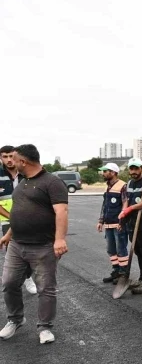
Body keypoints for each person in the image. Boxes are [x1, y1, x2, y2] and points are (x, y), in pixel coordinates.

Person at [0, 144, 68, 344]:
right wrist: (9, 234)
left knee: (45, 288)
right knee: (9, 283)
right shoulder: (22, 182)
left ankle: (45, 327)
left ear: (24, 162)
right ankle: (16, 319)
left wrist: (60, 239)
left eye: (15, 159)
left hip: (42, 246)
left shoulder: (52, 182)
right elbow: (19, 213)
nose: (12, 162)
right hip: (17, 244)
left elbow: (61, 212)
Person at [0, 145, 36, 294]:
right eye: (5, 156)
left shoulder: (26, 174)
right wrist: (13, 217)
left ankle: (28, 277)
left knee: (31, 250)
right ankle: (16, 282)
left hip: (29, 219)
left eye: (11, 156)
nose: (9, 160)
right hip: (7, 221)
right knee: (13, 251)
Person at [117, 158, 142, 294]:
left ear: (141, 169)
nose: (133, 171)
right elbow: (126, 202)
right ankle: (141, 278)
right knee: (138, 252)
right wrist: (123, 218)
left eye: (136, 168)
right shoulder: (129, 184)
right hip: (132, 224)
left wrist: (132, 208)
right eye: (131, 168)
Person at [96, 162, 129, 285]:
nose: (103, 173)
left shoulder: (122, 186)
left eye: (105, 171)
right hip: (108, 224)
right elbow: (105, 205)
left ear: (113, 172)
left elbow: (125, 204)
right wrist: (101, 221)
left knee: (121, 249)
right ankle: (116, 271)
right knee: (111, 249)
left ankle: (123, 273)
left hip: (118, 224)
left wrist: (122, 221)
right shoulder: (108, 186)